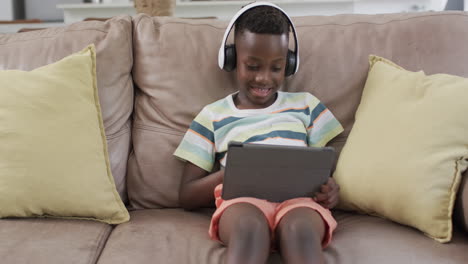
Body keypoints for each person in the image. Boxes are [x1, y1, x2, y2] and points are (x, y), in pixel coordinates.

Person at [174, 2, 343, 263]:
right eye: (253, 66)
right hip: (242, 204)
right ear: (231, 60)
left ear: (289, 64)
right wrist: (228, 174)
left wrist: (330, 188)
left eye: (276, 68)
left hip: (300, 203)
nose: (264, 79)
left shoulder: (306, 105)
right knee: (249, 229)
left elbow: (328, 164)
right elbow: (186, 195)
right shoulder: (213, 116)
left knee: (300, 230)